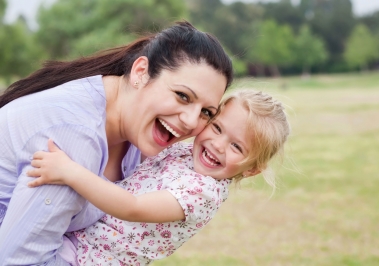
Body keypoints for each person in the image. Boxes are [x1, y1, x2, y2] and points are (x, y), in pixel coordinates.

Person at [0, 21, 233, 265]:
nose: (190, 121)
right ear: (141, 72)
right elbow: (18, 260)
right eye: (182, 96)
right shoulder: (74, 139)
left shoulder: (135, 131)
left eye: (206, 112)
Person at [27, 90, 291, 265]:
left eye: (236, 147)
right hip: (78, 236)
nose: (218, 145)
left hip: (89, 258)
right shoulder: (189, 152)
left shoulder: (203, 193)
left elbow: (133, 207)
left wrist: (71, 172)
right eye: (218, 128)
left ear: (252, 169)